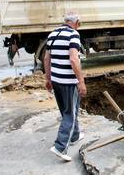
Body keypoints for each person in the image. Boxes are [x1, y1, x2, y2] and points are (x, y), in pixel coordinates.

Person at [44, 12, 87, 162]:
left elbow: (46, 58)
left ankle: (74, 135)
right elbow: (74, 59)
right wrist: (81, 82)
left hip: (56, 80)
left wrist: (48, 78)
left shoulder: (52, 34)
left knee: (67, 110)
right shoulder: (73, 34)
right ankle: (60, 147)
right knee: (70, 113)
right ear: (76, 22)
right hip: (68, 81)